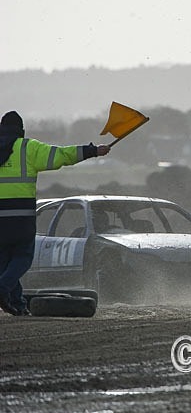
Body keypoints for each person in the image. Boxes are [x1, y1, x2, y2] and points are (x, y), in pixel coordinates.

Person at [0, 111, 111, 316]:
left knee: (4, 261)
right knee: (23, 257)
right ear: (21, 131)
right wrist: (93, 151)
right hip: (21, 217)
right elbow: (61, 155)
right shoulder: (27, 148)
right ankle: (3, 290)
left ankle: (17, 303)